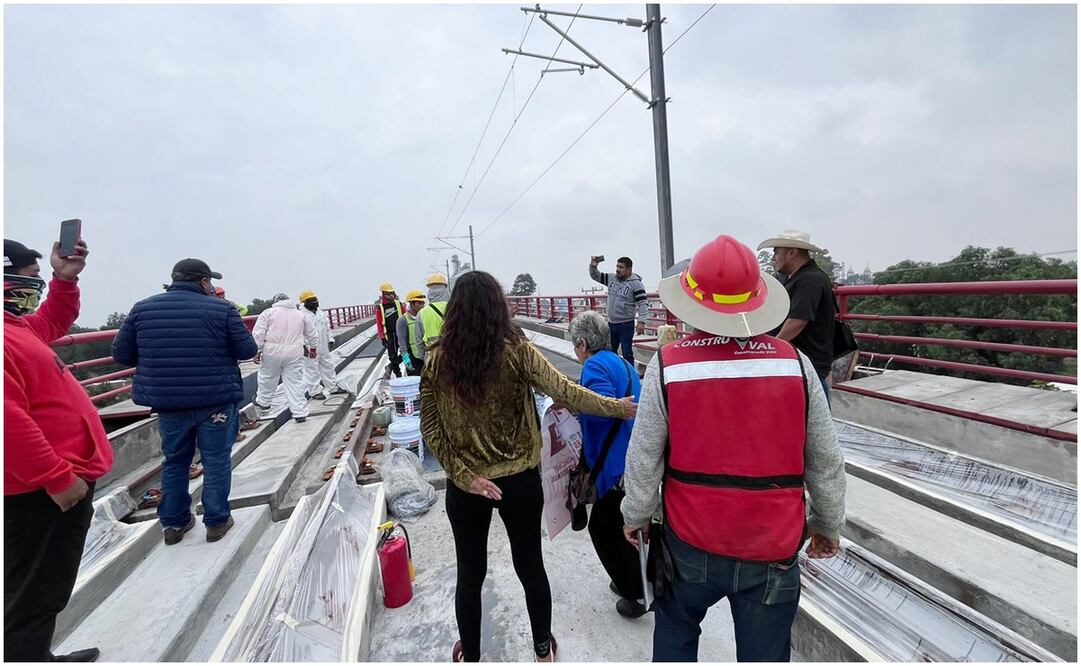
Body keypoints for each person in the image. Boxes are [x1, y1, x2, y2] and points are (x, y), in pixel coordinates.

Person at [620, 235, 846, 662]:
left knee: (675, 637)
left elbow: (644, 456)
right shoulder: (795, 364)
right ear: (757, 300)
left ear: (692, 301)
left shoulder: (668, 366)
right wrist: (826, 523)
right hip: (772, 546)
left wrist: (635, 515)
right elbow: (826, 459)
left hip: (691, 541)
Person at [419, 271, 638, 663]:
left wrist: (466, 476)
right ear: (497, 307)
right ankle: (541, 648)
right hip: (519, 481)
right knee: (530, 565)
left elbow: (430, 427)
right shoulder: (516, 350)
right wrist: (616, 407)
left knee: (470, 573)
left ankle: (471, 654)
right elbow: (566, 391)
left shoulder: (436, 360)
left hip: (466, 488)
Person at [4, 238, 113, 663]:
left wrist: (64, 279)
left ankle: (35, 654)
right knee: (34, 590)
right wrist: (57, 479)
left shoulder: (16, 327)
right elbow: (7, 421)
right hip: (42, 490)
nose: (36, 289)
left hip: (54, 481)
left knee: (44, 584)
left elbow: (53, 319)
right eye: (30, 279)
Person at [112, 258, 258, 546]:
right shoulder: (222, 309)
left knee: (175, 460)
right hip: (215, 399)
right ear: (203, 282)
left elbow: (122, 355)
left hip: (169, 402)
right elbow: (246, 349)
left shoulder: (142, 309)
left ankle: (174, 524)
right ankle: (216, 521)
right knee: (216, 459)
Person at [567, 310, 645, 619]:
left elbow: (600, 408)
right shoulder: (622, 362)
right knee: (622, 525)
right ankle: (634, 579)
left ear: (583, 344)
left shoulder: (594, 365)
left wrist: (573, 404)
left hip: (613, 464)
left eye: (575, 345)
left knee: (603, 529)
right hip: (631, 456)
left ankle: (634, 593)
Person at [757, 229, 836, 401]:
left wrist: (771, 349)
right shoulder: (802, 278)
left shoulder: (809, 280)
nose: (774, 258)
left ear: (792, 253)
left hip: (807, 368)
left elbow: (798, 321)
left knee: (810, 414)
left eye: (776, 252)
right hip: (802, 366)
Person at [251, 293, 317, 423]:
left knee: (267, 378)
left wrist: (257, 350)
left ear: (275, 301)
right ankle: (300, 412)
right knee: (295, 382)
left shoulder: (268, 313)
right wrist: (313, 348)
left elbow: (258, 333)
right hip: (294, 353)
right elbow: (312, 333)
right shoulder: (300, 315)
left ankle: (263, 403)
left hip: (272, 352)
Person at [588, 256, 650, 365]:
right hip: (611, 324)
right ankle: (614, 371)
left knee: (627, 353)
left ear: (629, 269)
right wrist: (593, 266)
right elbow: (596, 276)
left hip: (626, 325)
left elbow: (643, 303)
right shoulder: (611, 278)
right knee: (610, 352)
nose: (617, 269)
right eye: (617, 266)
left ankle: (630, 373)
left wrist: (641, 322)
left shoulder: (636, 284)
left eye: (621, 267)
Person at [298, 289, 347, 400]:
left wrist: (330, 339)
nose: (315, 302)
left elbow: (327, 327)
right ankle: (315, 391)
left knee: (328, 365)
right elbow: (299, 332)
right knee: (312, 369)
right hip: (310, 346)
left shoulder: (321, 313)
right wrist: (303, 346)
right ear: (305, 302)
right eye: (311, 300)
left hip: (323, 345)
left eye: (315, 299)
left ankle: (332, 387)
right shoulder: (301, 315)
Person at [375, 282, 405, 378]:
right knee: (392, 355)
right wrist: (382, 337)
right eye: (388, 294)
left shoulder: (399, 304)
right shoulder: (380, 308)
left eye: (392, 293)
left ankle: (390, 366)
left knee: (407, 351)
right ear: (383, 294)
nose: (391, 296)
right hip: (389, 335)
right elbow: (379, 324)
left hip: (401, 333)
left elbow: (406, 317)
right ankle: (398, 375)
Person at [415, 272, 450, 357]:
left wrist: (422, 356)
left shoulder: (421, 313)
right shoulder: (454, 308)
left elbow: (419, 341)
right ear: (445, 289)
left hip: (432, 356)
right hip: (452, 353)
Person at [396, 289, 427, 376]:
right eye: (419, 303)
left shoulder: (425, 316)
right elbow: (401, 340)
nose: (422, 306)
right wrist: (405, 355)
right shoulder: (402, 320)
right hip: (412, 356)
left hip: (425, 353)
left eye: (423, 303)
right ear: (411, 304)